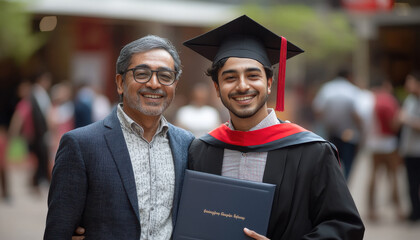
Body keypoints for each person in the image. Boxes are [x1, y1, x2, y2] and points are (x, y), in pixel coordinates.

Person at [184, 15, 364, 239]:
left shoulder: (312, 152)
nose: (242, 86)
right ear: (217, 86)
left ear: (269, 83)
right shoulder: (201, 151)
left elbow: (345, 226)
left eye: (253, 76)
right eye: (230, 78)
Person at [44, 35, 195, 239]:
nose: (153, 83)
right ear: (120, 82)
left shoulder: (187, 145)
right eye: (142, 74)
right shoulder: (81, 145)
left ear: (175, 84)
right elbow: (59, 230)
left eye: (165, 76)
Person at [312, 68, 363, 180]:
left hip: (330, 133)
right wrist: (361, 131)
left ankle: (334, 184)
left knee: (332, 162)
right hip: (350, 134)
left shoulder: (327, 88)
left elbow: (317, 110)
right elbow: (357, 114)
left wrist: (325, 123)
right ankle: (345, 184)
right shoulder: (353, 90)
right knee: (348, 163)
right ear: (349, 76)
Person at [365, 76, 403, 221]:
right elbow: (394, 125)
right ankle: (398, 210)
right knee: (393, 177)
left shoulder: (370, 100)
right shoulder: (388, 101)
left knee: (374, 176)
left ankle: (371, 210)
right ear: (386, 84)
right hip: (389, 143)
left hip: (374, 143)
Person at [399, 70, 420, 222]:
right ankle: (415, 212)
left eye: (410, 81)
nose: (407, 85)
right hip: (409, 151)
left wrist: (407, 119)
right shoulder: (410, 100)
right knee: (411, 185)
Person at [30, 70, 52, 189]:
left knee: (41, 156)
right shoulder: (38, 93)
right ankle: (39, 180)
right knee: (42, 156)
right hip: (40, 132)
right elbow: (43, 115)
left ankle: (38, 180)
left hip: (39, 131)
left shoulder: (38, 93)